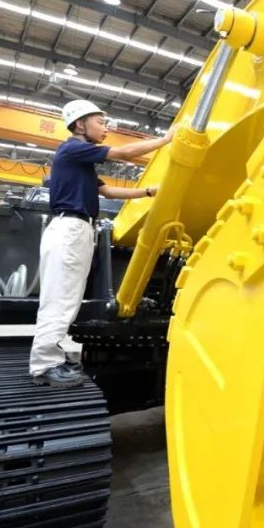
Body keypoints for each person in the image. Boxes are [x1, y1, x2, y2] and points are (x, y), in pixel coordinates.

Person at [29, 100, 171, 387]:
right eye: (100, 122)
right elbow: (122, 153)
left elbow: (107, 191)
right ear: (80, 125)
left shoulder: (81, 162)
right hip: (70, 228)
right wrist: (166, 139)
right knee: (60, 298)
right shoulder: (72, 148)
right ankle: (44, 365)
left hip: (78, 228)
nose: (105, 128)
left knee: (68, 298)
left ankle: (52, 357)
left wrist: (148, 191)